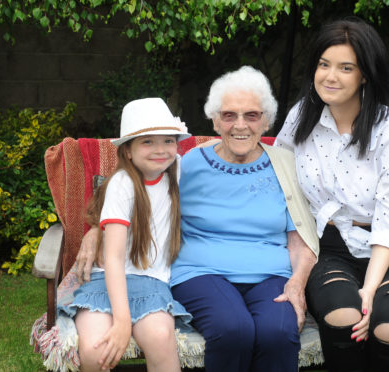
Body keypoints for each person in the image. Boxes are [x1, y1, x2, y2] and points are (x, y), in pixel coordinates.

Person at [76, 67, 319, 371]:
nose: (239, 125)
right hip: (200, 273)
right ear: (215, 120)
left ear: (267, 120)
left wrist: (297, 282)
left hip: (270, 275)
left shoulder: (286, 166)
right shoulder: (187, 164)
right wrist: (97, 230)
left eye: (252, 115)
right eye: (229, 115)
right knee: (233, 329)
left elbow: (301, 235)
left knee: (278, 333)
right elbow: (134, 190)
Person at [274, 18, 389, 372]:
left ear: (365, 75)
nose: (330, 76)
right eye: (323, 64)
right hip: (326, 247)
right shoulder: (302, 117)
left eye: (346, 68)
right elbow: (279, 175)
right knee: (344, 316)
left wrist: (371, 290)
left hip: (385, 250)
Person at [60, 98, 192, 372]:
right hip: (105, 284)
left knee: (160, 337)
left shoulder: (177, 169)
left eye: (168, 140)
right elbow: (114, 257)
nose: (160, 150)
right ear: (128, 151)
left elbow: (215, 151)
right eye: (147, 142)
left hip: (152, 283)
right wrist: (122, 321)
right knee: (96, 351)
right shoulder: (122, 185)